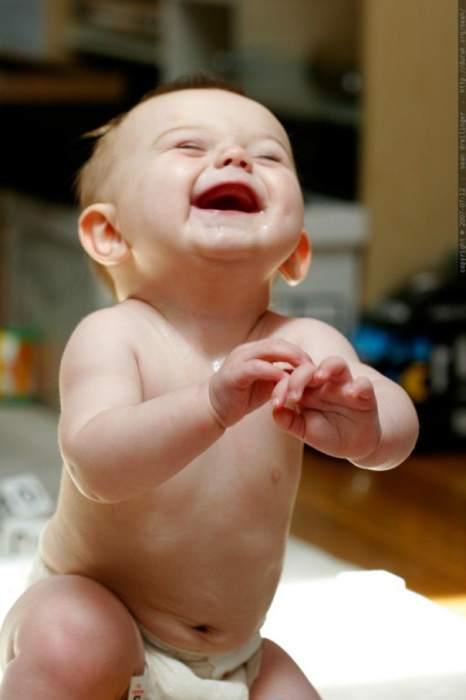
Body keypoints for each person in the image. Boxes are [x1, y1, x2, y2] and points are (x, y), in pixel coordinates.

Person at [0, 74, 419, 700]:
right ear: (109, 233)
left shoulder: (305, 340)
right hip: (106, 614)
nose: (236, 158)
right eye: (189, 147)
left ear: (297, 253)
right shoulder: (114, 335)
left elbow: (396, 429)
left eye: (268, 156)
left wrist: (369, 427)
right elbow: (96, 464)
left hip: (234, 656)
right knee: (72, 640)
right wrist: (210, 403)